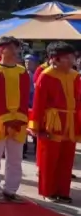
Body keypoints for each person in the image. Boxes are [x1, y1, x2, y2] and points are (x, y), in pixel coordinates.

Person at [30, 42, 79, 204]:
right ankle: (49, 190)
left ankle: (63, 191)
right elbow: (38, 104)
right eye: (67, 57)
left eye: (72, 57)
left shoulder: (75, 76)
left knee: (67, 158)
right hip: (52, 122)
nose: (72, 60)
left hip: (70, 122)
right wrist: (36, 126)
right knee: (49, 158)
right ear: (55, 59)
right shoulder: (46, 75)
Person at [0, 36, 30, 203]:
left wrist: (20, 119)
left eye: (16, 47)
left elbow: (25, 97)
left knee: (16, 156)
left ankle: (11, 189)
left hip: (18, 119)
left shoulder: (22, 71)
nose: (15, 51)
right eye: (11, 47)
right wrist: (6, 119)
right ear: (2, 49)